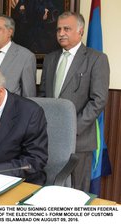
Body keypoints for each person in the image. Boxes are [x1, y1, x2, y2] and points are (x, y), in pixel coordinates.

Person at [39, 12, 110, 191]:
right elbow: (43, 95)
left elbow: (98, 101)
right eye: (59, 29)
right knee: (51, 189)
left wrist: (72, 128)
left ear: (80, 31)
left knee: (77, 191)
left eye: (67, 29)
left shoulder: (96, 59)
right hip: (50, 137)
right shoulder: (50, 58)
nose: (61, 33)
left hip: (79, 139)